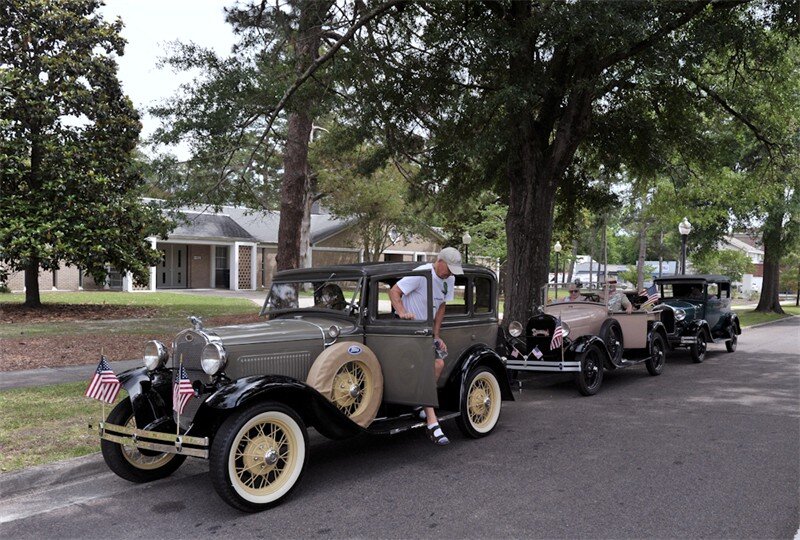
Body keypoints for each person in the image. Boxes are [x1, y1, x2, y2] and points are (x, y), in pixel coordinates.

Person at [389, 247, 463, 446]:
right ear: (440, 261)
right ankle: (432, 422)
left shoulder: (449, 279)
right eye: (449, 268)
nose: (450, 273)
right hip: (407, 331)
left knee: (438, 365)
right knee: (426, 367)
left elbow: (441, 307)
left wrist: (436, 334)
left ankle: (420, 402)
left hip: (425, 333)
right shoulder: (421, 274)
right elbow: (394, 291)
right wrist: (403, 312)